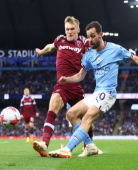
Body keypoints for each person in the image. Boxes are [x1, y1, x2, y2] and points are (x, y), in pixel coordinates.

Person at [48, 21, 138, 158]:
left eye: (93, 36)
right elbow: (81, 76)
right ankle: (91, 147)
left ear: (101, 34)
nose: (90, 40)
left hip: (108, 93)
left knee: (87, 118)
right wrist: (67, 79)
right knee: (71, 114)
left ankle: (67, 149)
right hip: (97, 93)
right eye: (88, 37)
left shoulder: (114, 49)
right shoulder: (89, 55)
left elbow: (136, 59)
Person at [32, 16, 101, 157]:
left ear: (78, 29)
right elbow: (50, 47)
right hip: (61, 85)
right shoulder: (60, 39)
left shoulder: (83, 42)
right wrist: (41, 52)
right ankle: (44, 143)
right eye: (67, 29)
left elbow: (97, 48)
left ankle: (88, 145)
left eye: (72, 29)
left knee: (87, 119)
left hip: (76, 86)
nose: (69, 32)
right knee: (53, 106)